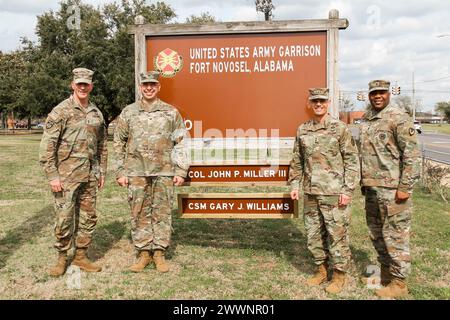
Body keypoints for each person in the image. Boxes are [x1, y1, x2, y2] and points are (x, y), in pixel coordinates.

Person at [113, 71, 190, 273]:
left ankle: (159, 253)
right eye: (145, 85)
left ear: (158, 87)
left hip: (164, 170)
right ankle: (144, 252)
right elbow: (118, 142)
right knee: (138, 211)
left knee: (162, 212)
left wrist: (181, 170)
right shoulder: (128, 112)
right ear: (140, 87)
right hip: (136, 171)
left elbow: (181, 142)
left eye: (152, 85)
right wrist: (120, 170)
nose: (149, 88)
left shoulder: (171, 112)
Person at [289, 88, 360, 294]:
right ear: (309, 104)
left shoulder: (339, 128)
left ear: (328, 103)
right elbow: (297, 161)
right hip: (311, 192)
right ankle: (321, 270)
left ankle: (339, 275)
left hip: (334, 193)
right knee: (313, 235)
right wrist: (295, 185)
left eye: (322, 100)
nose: (318, 104)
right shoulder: (303, 130)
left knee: (336, 235)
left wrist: (347, 189)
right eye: (315, 101)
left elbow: (352, 160)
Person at [39, 68, 108, 277]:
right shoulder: (61, 111)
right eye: (79, 83)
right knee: (64, 218)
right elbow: (47, 146)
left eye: (86, 84)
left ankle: (80, 256)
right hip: (66, 178)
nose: (83, 87)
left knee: (88, 217)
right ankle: (61, 258)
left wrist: (101, 171)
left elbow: (102, 144)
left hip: (89, 176)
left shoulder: (96, 113)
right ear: (73, 85)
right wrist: (52, 176)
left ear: (91, 86)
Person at [360, 80, 420, 298]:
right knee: (376, 233)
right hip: (372, 188)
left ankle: (399, 283)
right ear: (369, 95)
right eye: (374, 93)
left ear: (388, 94)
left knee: (396, 236)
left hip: (393, 190)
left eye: (382, 93)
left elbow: (412, 156)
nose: (377, 96)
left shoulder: (399, 118)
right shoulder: (367, 118)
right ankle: (384, 272)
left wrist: (405, 186)